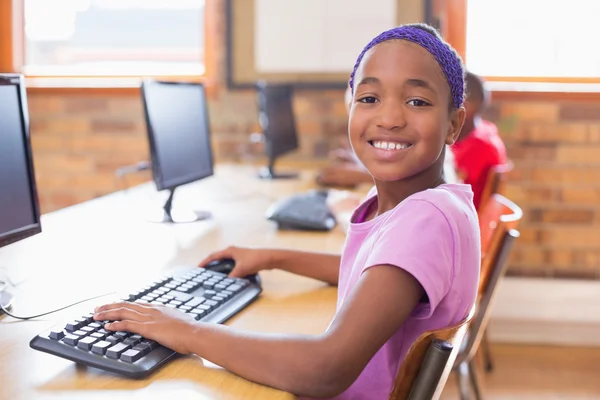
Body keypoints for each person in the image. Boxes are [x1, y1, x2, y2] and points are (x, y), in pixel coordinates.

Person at [93, 23, 480, 399]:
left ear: (453, 124)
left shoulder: (425, 219)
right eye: (369, 98)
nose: (390, 118)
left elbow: (326, 368)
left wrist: (187, 331)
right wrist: (274, 256)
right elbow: (370, 272)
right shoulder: (437, 206)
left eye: (417, 101)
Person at [450, 71, 507, 210]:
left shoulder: (480, 145)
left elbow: (447, 183)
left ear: (466, 107)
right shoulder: (482, 130)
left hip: (460, 220)